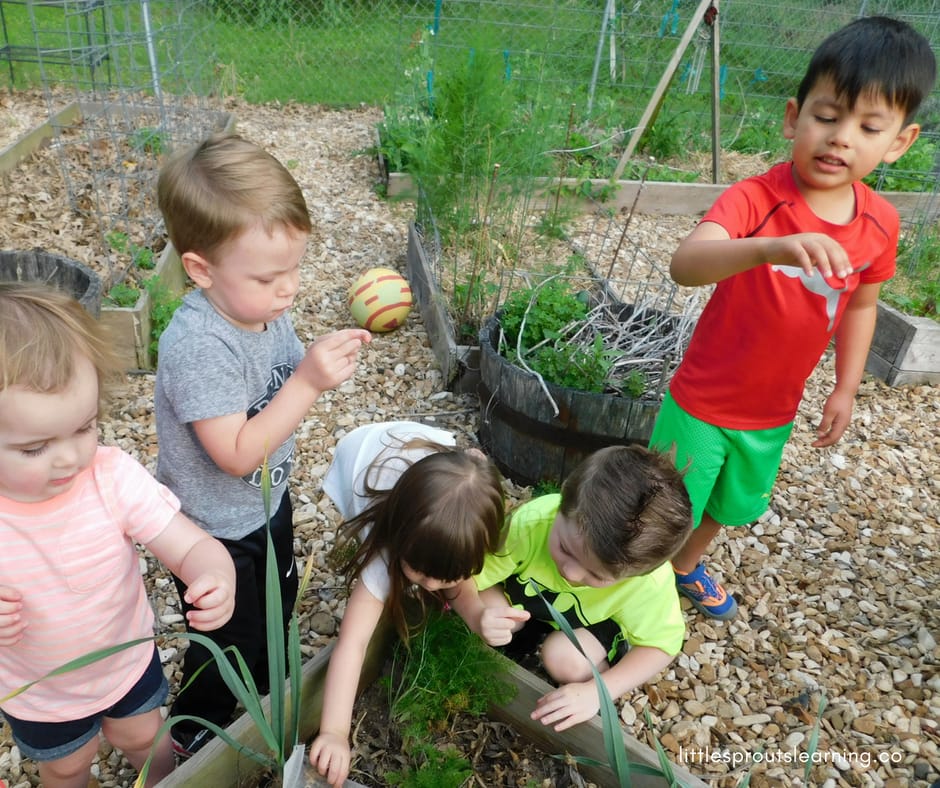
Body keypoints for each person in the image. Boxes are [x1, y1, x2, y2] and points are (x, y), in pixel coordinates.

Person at [647, 16, 937, 620]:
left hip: (773, 410)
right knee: (665, 503)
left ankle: (683, 568)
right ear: (793, 117)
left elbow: (861, 304)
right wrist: (767, 246)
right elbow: (687, 263)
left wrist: (846, 387)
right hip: (702, 398)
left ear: (899, 142)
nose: (841, 138)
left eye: (868, 127)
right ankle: (636, 588)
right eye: (827, 117)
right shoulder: (756, 199)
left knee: (730, 505)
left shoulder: (880, 223)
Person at [154, 133, 371, 757]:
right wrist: (308, 380)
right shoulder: (200, 344)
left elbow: (277, 383)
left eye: (296, 267)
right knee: (225, 635)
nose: (290, 288)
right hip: (211, 530)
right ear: (201, 269)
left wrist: (312, 360)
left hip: (264, 504)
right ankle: (196, 733)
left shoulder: (263, 308)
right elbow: (237, 452)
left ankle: (266, 688)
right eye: (272, 275)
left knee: (277, 604)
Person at [0, 282, 236, 788]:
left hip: (125, 662)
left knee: (142, 739)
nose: (69, 457)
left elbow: (188, 542)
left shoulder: (110, 478)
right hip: (37, 689)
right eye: (35, 447)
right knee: (66, 766)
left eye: (85, 427)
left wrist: (212, 570)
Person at [308, 421, 506, 788]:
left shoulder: (459, 518)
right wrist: (335, 731)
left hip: (415, 455)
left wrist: (478, 616)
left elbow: (460, 584)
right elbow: (352, 645)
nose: (430, 585)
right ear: (399, 538)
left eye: (445, 576)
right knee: (372, 561)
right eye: (419, 569)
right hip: (361, 456)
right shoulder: (386, 551)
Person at [453, 444, 693, 733]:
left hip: (591, 624)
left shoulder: (648, 582)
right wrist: (476, 615)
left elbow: (661, 646)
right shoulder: (534, 521)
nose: (571, 572)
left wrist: (597, 691)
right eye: (565, 548)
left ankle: (591, 674)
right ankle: (523, 640)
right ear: (562, 503)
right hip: (526, 604)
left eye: (596, 574)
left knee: (565, 660)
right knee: (490, 607)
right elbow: (465, 574)